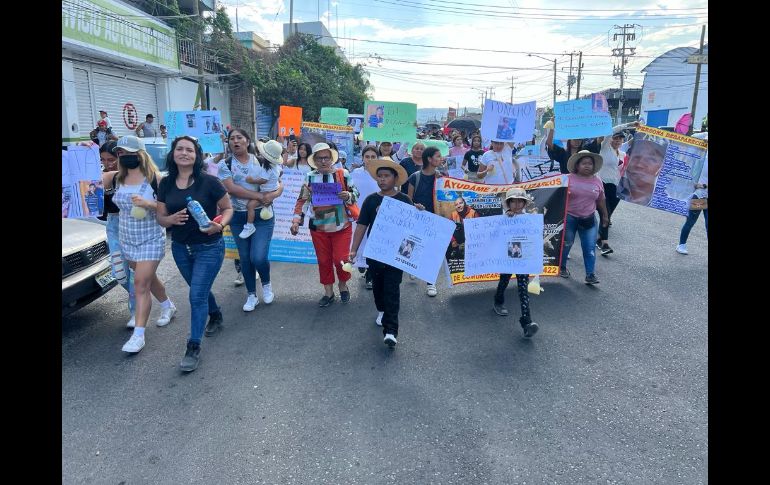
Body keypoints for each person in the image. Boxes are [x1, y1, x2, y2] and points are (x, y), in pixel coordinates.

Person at [155, 136, 232, 371]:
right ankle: (216, 314)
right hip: (180, 248)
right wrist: (171, 219)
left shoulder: (209, 181)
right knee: (199, 290)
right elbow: (161, 217)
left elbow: (227, 208)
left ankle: (193, 347)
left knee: (196, 296)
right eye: (180, 149)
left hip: (209, 247)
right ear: (173, 153)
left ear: (197, 155)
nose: (184, 153)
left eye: (190, 150)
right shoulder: (166, 183)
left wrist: (220, 225)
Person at [112, 136, 176, 353]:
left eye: (130, 153)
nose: (125, 157)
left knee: (140, 284)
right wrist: (85, 151)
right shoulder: (116, 178)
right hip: (127, 238)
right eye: (121, 153)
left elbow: (167, 208)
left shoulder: (155, 179)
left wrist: (149, 203)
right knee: (147, 279)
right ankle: (167, 305)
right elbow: (81, 180)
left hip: (150, 238)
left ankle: (138, 336)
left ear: (141, 154)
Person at [349, 158, 412, 348]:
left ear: (395, 179)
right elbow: (361, 226)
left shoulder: (404, 200)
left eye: (387, 176)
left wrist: (418, 211)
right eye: (380, 176)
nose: (382, 180)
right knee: (378, 288)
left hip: (396, 255)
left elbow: (414, 227)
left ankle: (391, 330)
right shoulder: (371, 200)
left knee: (392, 289)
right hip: (375, 254)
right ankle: (382, 309)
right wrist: (353, 250)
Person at [218, 129, 284, 311]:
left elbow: (279, 183)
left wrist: (272, 195)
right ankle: (251, 295)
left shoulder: (261, 159)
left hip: (263, 215)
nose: (235, 141)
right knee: (245, 258)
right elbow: (232, 189)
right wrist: (259, 195)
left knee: (258, 256)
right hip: (238, 217)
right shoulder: (226, 164)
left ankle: (266, 284)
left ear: (247, 141)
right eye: (232, 139)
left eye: (239, 138)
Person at [290, 143, 359, 306]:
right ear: (314, 160)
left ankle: (343, 285)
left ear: (331, 158)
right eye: (319, 158)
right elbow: (302, 200)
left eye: (326, 157)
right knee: (323, 260)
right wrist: (296, 220)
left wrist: (347, 195)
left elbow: (356, 193)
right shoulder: (309, 177)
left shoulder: (343, 174)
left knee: (340, 260)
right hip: (318, 227)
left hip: (341, 226)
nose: (323, 161)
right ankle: (328, 292)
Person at [492, 188, 540, 338]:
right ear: (508, 203)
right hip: (508, 257)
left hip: (523, 259)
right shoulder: (504, 216)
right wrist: (507, 217)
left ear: (525, 203)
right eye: (513, 201)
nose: (517, 204)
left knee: (523, 290)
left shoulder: (530, 218)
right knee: (503, 281)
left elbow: (534, 238)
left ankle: (527, 323)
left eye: (520, 201)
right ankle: (498, 301)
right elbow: (495, 234)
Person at [98, 141, 136, 327]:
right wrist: (81, 153)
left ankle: (136, 312)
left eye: (111, 159)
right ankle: (157, 298)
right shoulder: (99, 177)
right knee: (119, 273)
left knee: (137, 273)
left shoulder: (130, 175)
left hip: (133, 224)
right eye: (103, 160)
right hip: (113, 224)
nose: (108, 163)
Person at [559, 150, 610, 285]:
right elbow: (555, 194)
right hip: (569, 217)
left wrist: (605, 215)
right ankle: (562, 267)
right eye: (584, 163)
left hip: (589, 219)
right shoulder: (566, 178)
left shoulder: (597, 180)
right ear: (577, 165)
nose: (587, 166)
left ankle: (590, 274)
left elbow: (601, 199)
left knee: (589, 247)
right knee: (567, 244)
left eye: (590, 164)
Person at [407, 146, 443, 297]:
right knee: (414, 246)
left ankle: (430, 282)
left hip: (435, 219)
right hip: (418, 219)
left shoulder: (441, 177)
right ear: (429, 159)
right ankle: (413, 267)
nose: (441, 159)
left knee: (432, 251)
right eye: (438, 156)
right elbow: (408, 199)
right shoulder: (415, 177)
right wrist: (415, 206)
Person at [595, 126, 635, 255]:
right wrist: (630, 124)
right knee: (605, 213)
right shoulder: (605, 148)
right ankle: (605, 243)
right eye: (615, 138)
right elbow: (610, 130)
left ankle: (599, 237)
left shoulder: (622, 153)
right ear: (610, 139)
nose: (617, 141)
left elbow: (634, 143)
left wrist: (641, 131)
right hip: (603, 185)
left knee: (608, 214)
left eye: (620, 139)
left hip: (617, 187)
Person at [349, 145, 381, 290]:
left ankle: (370, 275)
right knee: (359, 242)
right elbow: (350, 191)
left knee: (372, 243)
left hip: (376, 214)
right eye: (367, 156)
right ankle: (361, 264)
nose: (369, 159)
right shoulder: (355, 173)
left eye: (373, 157)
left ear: (377, 158)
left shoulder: (382, 174)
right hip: (358, 214)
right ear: (362, 158)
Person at [239, 140, 283, 239]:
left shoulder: (267, 168)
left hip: (266, 192)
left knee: (250, 206)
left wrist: (251, 180)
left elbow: (263, 180)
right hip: (272, 189)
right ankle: (266, 208)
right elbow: (281, 172)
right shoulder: (275, 166)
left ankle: (249, 226)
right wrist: (276, 179)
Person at [617, 138, 666, 206]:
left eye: (650, 159)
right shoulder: (611, 190)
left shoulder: (666, 204)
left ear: (663, 166)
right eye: (636, 157)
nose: (639, 164)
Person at [677, 154, 708, 254]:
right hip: (700, 197)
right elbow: (692, 178)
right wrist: (698, 185)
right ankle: (681, 245)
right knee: (690, 222)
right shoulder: (702, 160)